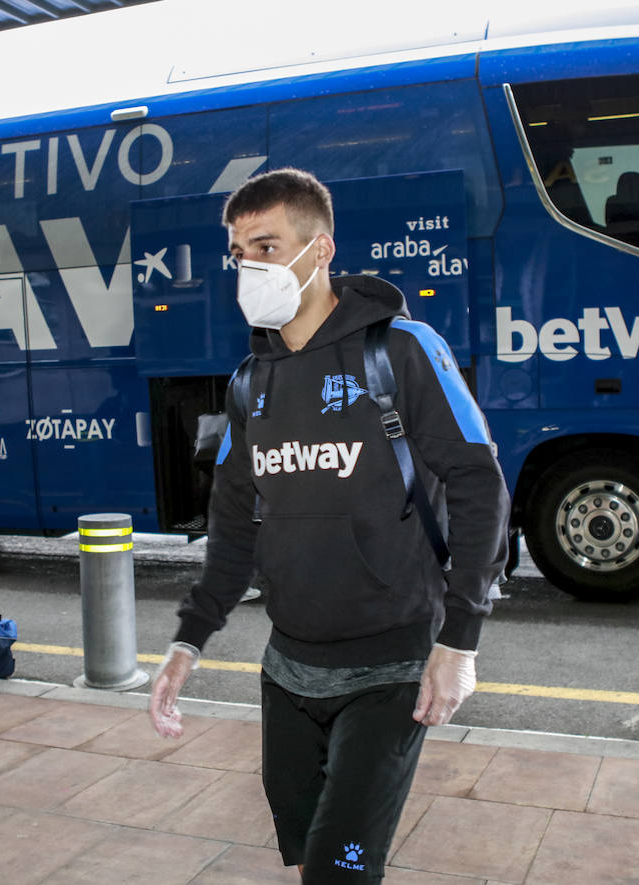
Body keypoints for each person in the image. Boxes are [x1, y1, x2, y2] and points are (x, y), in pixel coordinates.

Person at [148, 169, 509, 881]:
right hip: (288, 670)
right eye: (238, 250)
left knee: (342, 863)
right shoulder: (252, 382)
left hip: (392, 665)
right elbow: (233, 528)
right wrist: (188, 639)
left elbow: (480, 483)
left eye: (266, 245)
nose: (249, 265)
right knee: (304, 847)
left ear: (319, 250)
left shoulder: (402, 350)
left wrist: (459, 639)